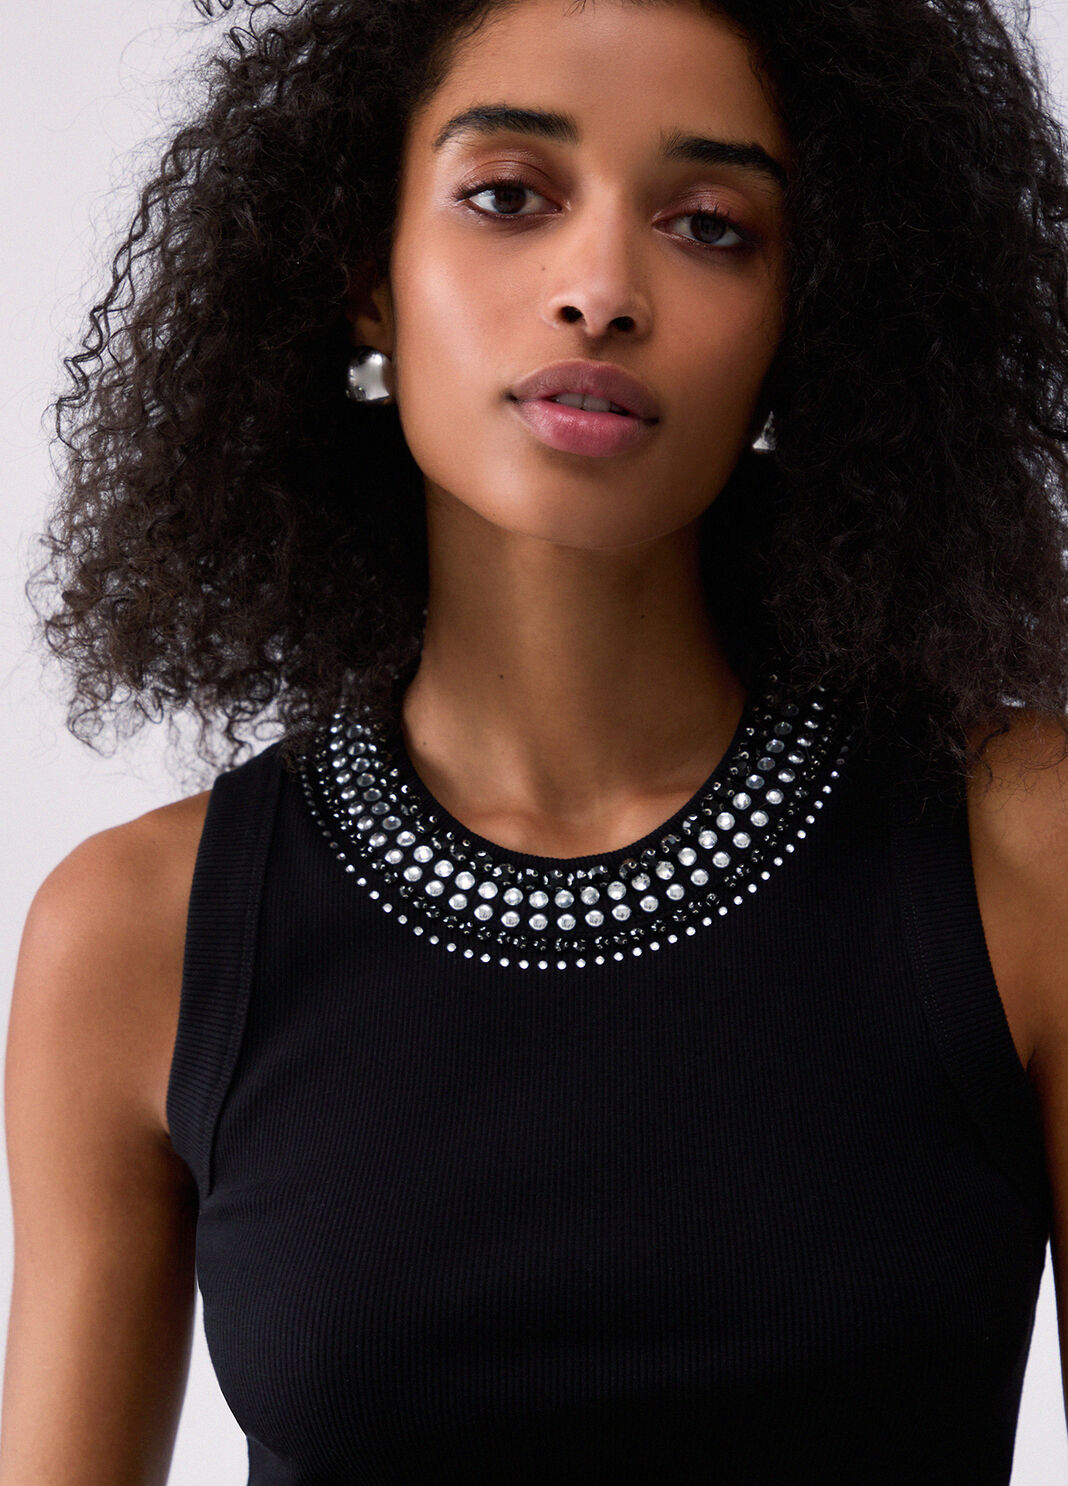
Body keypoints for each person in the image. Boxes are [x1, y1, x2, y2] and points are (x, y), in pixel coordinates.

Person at [4, 0, 1068, 1479]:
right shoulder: (144, 937)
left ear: (804, 318)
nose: (602, 290)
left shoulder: (1019, 859)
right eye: (509, 197)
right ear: (363, 274)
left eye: (710, 226)